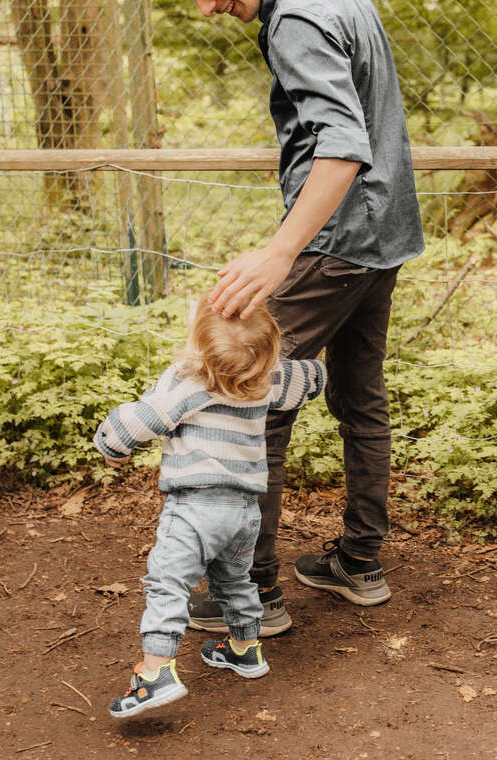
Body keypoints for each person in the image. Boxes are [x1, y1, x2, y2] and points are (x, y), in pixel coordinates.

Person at [145, 0, 424, 636]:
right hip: (381, 232)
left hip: (334, 240)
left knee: (249, 401)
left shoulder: (296, 13)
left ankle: (253, 594)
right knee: (359, 397)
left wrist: (279, 252)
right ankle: (357, 563)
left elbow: (340, 145)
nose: (205, 8)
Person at [93, 291, 325, 718]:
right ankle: (244, 649)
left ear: (198, 344)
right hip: (243, 512)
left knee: (168, 585)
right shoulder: (268, 377)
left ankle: (155, 674)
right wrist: (316, 370)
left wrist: (111, 441)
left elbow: (141, 419)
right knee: (235, 582)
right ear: (269, 347)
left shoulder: (187, 382)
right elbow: (310, 378)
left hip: (193, 509)